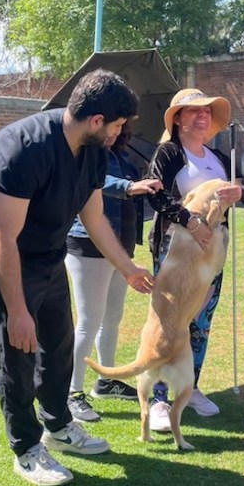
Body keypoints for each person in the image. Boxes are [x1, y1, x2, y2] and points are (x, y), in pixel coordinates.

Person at [0, 69, 152, 486]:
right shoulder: (23, 148)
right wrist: (17, 310)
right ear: (96, 120)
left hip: (45, 254)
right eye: (117, 125)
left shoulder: (94, 150)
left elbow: (93, 216)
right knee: (17, 354)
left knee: (59, 345)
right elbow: (0, 235)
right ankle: (26, 449)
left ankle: (59, 426)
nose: (121, 133)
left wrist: (127, 268)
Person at [144, 88, 244, 431]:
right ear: (178, 119)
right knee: (171, 321)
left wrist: (239, 191)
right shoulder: (168, 153)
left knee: (200, 322)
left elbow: (240, 189)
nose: (201, 117)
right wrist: (190, 221)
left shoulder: (219, 156)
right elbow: (155, 193)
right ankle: (159, 398)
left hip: (210, 255)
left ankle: (190, 386)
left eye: (206, 112)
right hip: (175, 252)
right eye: (192, 112)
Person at [64, 123, 163, 423]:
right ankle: (71, 393)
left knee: (112, 318)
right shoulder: (82, 153)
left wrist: (142, 180)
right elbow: (93, 181)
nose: (116, 131)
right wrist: (129, 186)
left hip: (120, 245)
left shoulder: (120, 155)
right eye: (112, 124)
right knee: (89, 320)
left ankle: (105, 381)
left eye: (121, 125)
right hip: (87, 243)